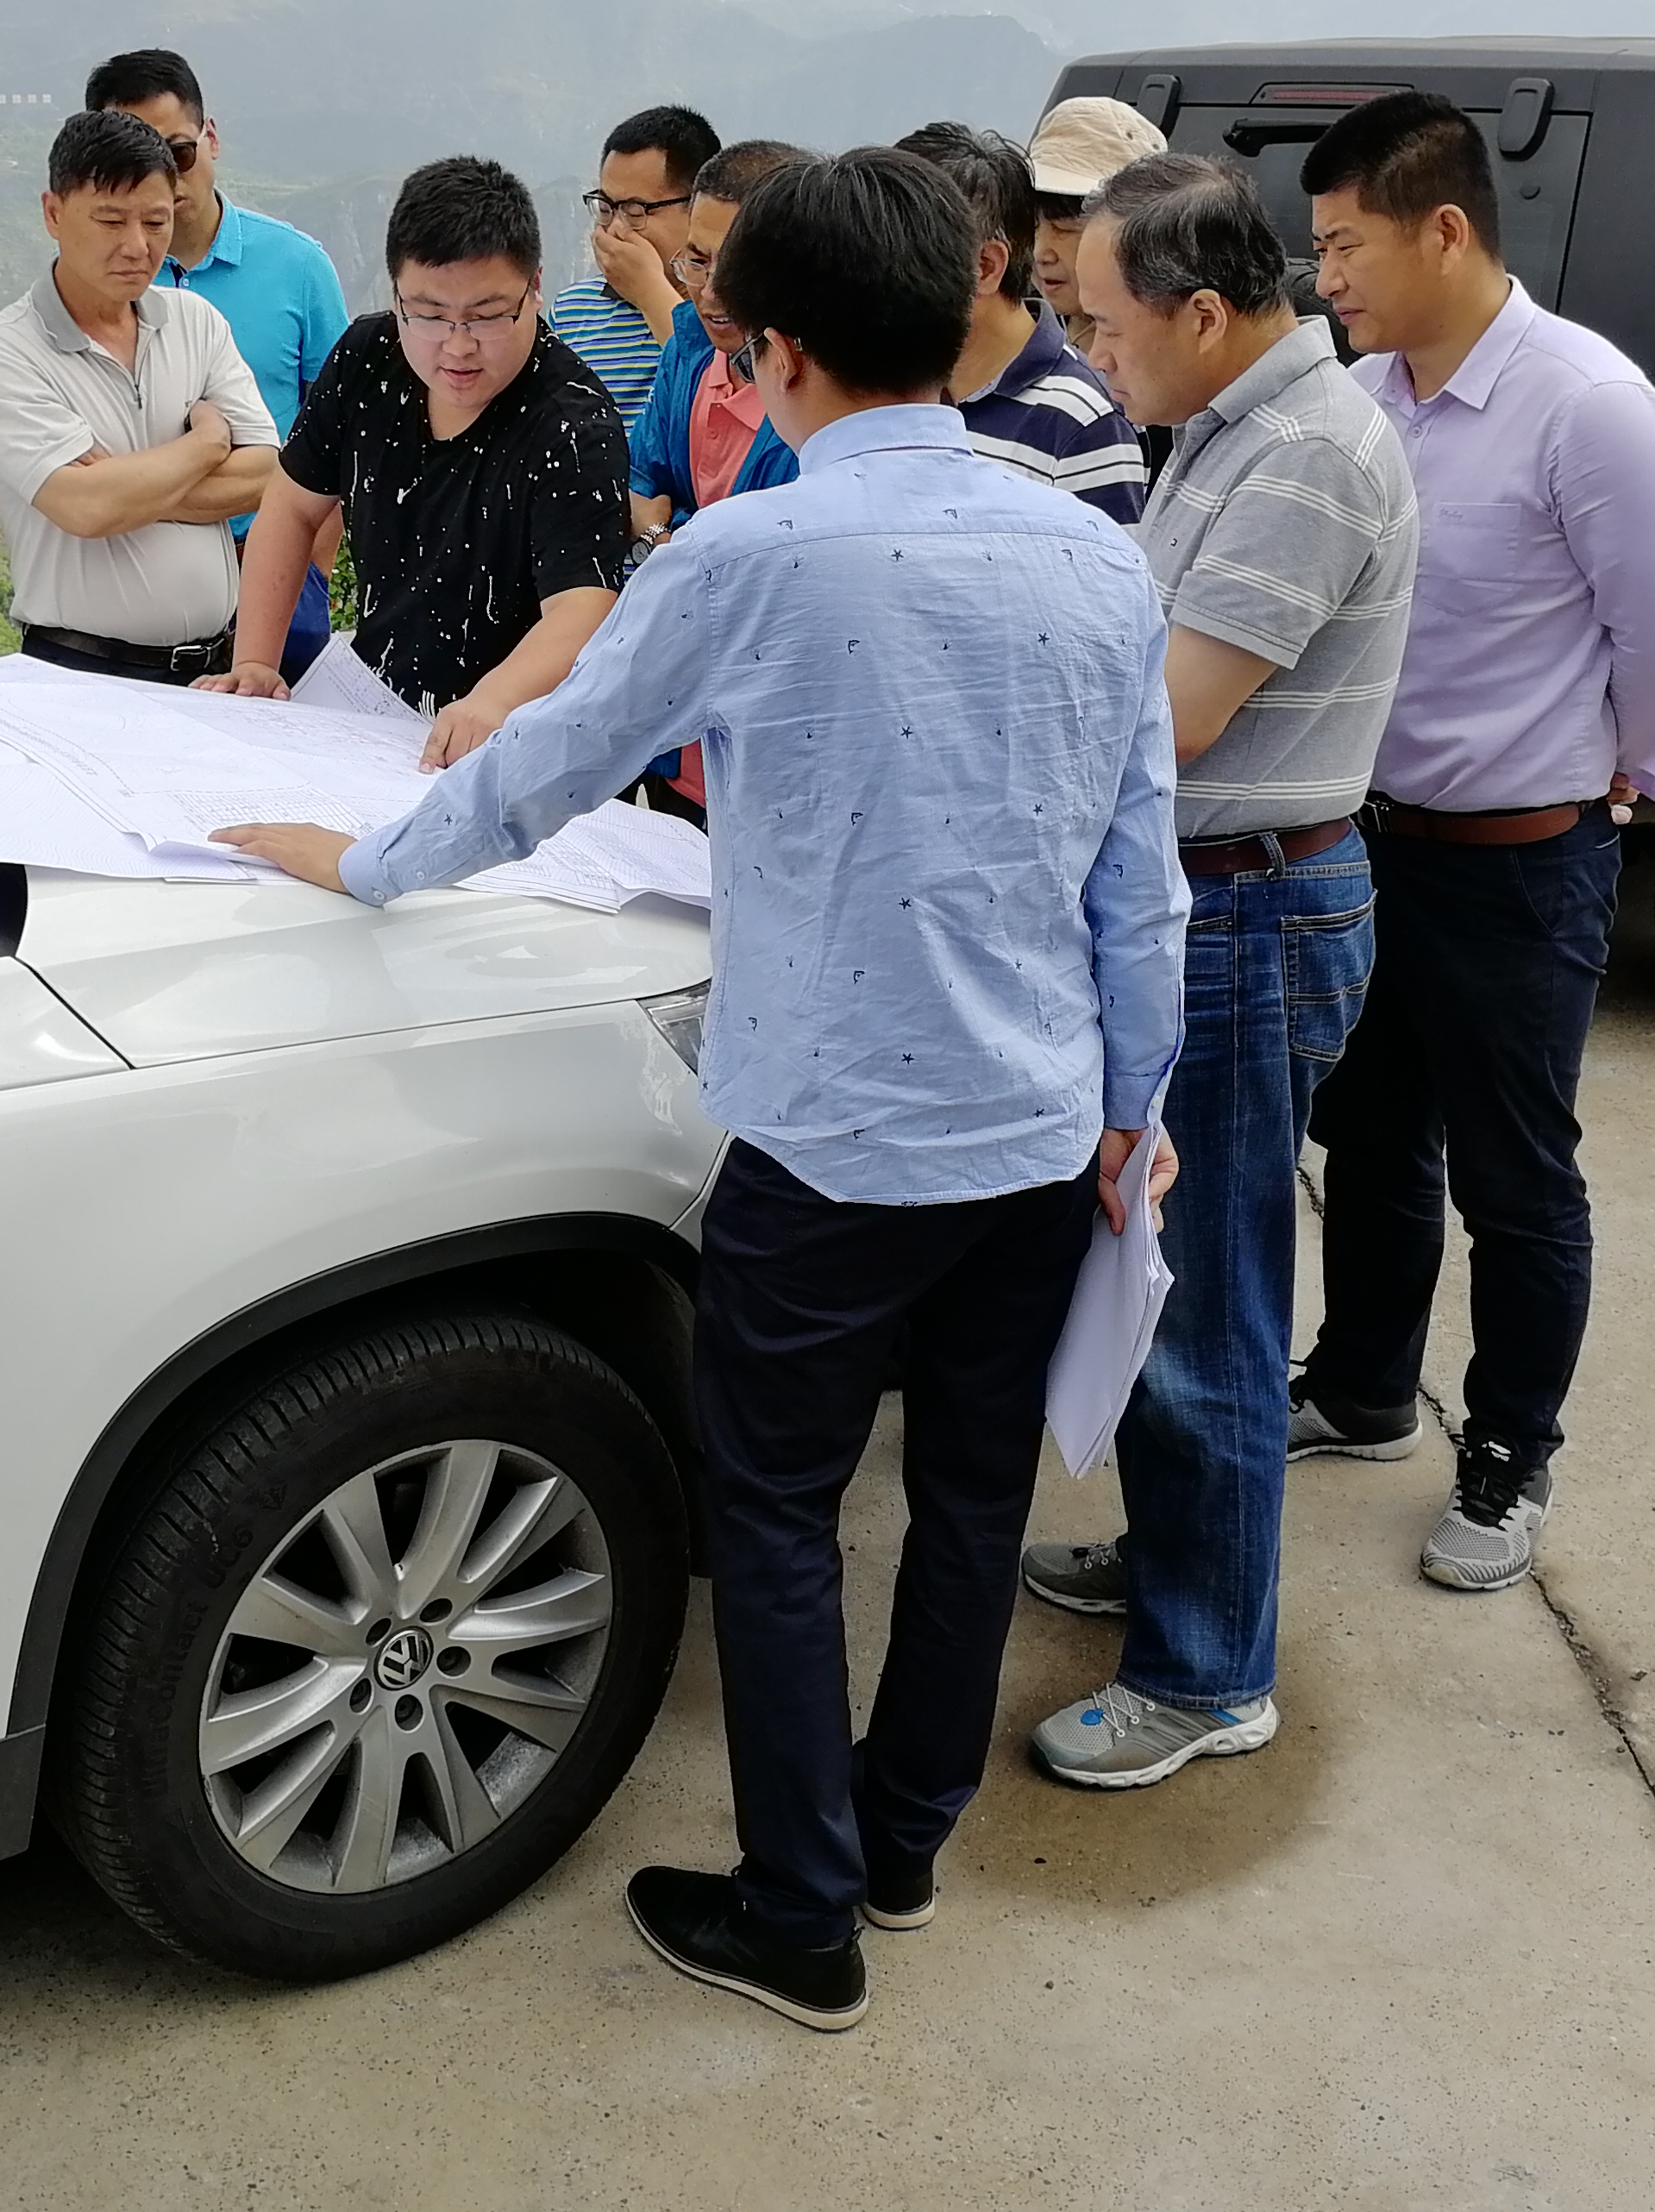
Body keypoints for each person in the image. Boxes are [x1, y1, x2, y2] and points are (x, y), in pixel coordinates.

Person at [211, 149, 1188, 2034]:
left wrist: (363, 861)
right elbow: (1135, 879)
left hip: (829, 1145)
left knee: (777, 1513)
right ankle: (900, 1847)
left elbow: (545, 766)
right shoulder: (1091, 556)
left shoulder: (748, 554)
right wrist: (1133, 1109)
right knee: (969, 1499)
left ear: (777, 351)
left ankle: (797, 1911)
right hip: (1034, 1129)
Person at [1016, 154, 1418, 1785]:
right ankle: (1181, 1560)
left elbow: (1171, 715)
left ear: (1200, 312)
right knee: (1158, 1275)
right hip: (1208, 901)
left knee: (1211, 1306)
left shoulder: (1306, 455)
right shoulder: (1229, 429)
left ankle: (1206, 1674)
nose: (1091, 358)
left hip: (1248, 911)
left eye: (1106, 327)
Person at [1293, 90, 1655, 1590]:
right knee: (1369, 1137)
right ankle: (1361, 1388)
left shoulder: (1587, 406)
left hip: (1519, 859)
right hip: (1367, 845)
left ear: (1443, 231)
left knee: (1517, 1177)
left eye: (1344, 246)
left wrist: (1628, 768)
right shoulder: (1368, 399)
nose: (1325, 278)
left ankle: (1508, 1450)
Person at [199, 159, 629, 766]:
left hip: (517, 738)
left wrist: (492, 701)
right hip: (371, 715)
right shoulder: (367, 358)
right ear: (396, 293)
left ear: (535, 286)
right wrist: (255, 663)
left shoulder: (572, 424)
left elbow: (583, 606)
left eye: (487, 315)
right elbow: (293, 505)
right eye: (427, 314)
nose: (457, 345)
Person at [0, 110, 279, 682]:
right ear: (53, 214)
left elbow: (264, 472)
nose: (137, 246)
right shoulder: (4, 354)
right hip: (80, 672)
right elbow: (87, 509)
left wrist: (124, 487)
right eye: (110, 220)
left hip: (215, 671)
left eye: (156, 222)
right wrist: (206, 445)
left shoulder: (196, 321)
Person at [86, 47, 353, 678]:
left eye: (177, 152)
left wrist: (312, 567)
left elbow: (341, 429)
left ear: (211, 137)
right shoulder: (93, 284)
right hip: (132, 568)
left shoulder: (297, 266)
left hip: (272, 558)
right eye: (134, 161)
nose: (163, 178)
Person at [889, 122, 1148, 521]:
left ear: (985, 266)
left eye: (895, 258)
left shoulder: (1082, 421)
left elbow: (1107, 561)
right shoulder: (879, 383)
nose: (868, 280)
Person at [625, 137, 816, 545]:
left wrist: (661, 538)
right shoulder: (689, 349)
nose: (710, 293)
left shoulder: (820, 397)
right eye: (697, 261)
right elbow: (638, 483)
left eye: (735, 268)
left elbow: (773, 551)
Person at [548, 104, 719, 421]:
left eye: (635, 211)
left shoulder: (723, 313)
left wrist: (649, 291)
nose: (615, 229)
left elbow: (716, 390)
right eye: (606, 208)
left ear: (695, 207)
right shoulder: (573, 310)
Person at [1029, 95, 1173, 354]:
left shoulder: (1167, 350)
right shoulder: (1017, 323)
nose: (1041, 253)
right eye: (1031, 225)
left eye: (1065, 227)